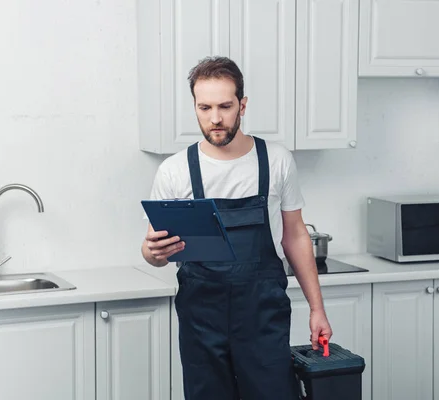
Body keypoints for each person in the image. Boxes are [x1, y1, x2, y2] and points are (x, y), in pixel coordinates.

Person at [141, 56, 332, 399]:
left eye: (225, 106)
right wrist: (151, 253)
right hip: (202, 317)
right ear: (195, 107)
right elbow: (155, 249)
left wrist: (317, 309)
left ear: (242, 105)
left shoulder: (276, 160)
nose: (215, 118)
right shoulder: (174, 171)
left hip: (262, 314)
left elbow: (295, 236)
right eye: (204, 108)